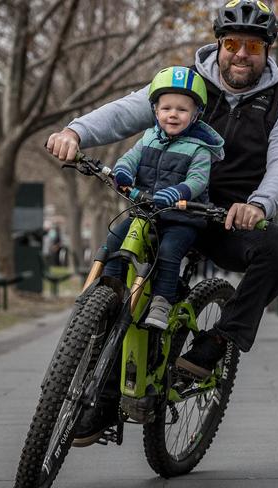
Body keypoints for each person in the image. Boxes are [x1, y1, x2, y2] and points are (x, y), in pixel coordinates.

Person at [48, 0, 278, 380]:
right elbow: (126, 111)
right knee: (122, 273)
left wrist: (259, 204)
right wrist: (75, 132)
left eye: (252, 47)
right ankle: (97, 385)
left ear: (267, 50)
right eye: (233, 44)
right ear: (219, 44)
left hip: (228, 219)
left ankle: (218, 342)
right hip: (165, 209)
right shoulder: (185, 83)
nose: (241, 55)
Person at [105, 66, 224, 329]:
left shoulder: (200, 148)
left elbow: (197, 180)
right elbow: (130, 158)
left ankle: (162, 302)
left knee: (169, 252)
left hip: (182, 218)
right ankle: (108, 294)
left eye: (182, 110)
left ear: (195, 115)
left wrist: (177, 192)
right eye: (166, 108)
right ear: (155, 111)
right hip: (147, 212)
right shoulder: (148, 138)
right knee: (114, 240)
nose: (173, 114)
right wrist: (123, 172)